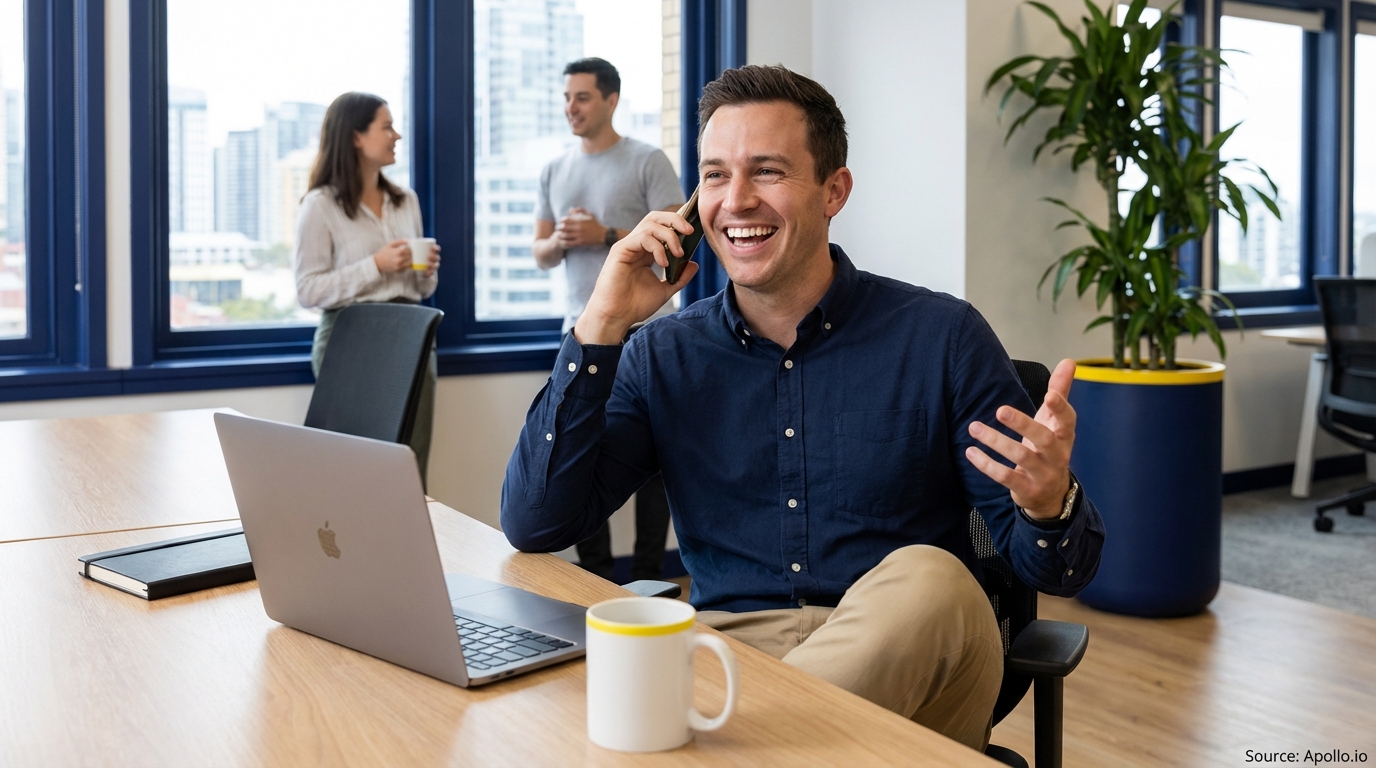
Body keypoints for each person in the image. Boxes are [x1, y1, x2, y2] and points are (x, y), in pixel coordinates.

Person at [501, 65, 1105, 750]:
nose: (737, 200)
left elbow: (1058, 569)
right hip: (732, 667)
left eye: (768, 172)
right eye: (717, 176)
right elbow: (536, 521)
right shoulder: (660, 355)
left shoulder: (940, 337)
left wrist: (1048, 505)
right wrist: (602, 320)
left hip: (918, 664)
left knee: (934, 578)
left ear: (833, 190)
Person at [532, 57, 684, 583]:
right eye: (567, 97)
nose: (571, 107)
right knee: (576, 448)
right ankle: (593, 576)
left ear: (611, 100)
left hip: (646, 330)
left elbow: (678, 244)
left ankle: (649, 575)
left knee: (652, 459)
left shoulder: (646, 161)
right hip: (580, 332)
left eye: (582, 97)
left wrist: (606, 235)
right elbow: (541, 251)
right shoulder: (554, 169)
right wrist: (560, 240)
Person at [295, 92, 440, 487]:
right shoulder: (320, 205)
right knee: (351, 468)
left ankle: (408, 549)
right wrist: (375, 266)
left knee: (410, 461)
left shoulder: (404, 200)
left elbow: (422, 287)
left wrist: (425, 271)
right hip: (350, 339)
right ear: (356, 137)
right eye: (386, 126)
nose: (396, 135)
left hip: (411, 334)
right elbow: (307, 290)